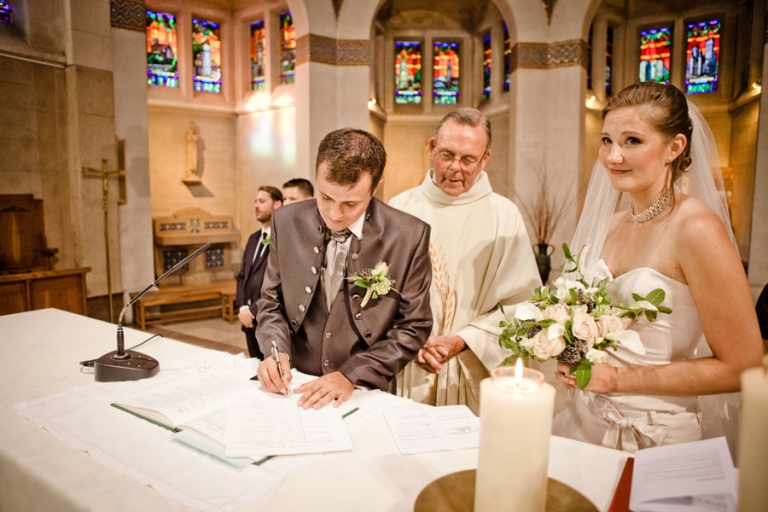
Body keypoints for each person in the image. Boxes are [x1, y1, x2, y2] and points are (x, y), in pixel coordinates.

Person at [552, 82, 763, 453]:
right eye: (606, 141)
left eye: (632, 141)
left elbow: (742, 367)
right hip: (583, 423)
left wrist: (616, 379)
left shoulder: (696, 228)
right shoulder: (611, 224)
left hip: (655, 438)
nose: (612, 157)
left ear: (674, 148)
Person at [255, 128, 433, 410]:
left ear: (376, 186)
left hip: (366, 392)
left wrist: (352, 374)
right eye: (325, 198)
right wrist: (275, 351)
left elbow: (413, 327)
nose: (335, 215)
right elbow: (270, 301)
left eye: (351, 203)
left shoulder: (409, 235)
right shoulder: (285, 221)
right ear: (316, 171)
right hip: (294, 387)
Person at [389, 107, 541, 414]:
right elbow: (377, 297)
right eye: (447, 154)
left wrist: (463, 339)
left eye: (469, 159)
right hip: (407, 364)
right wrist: (410, 340)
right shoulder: (399, 208)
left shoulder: (504, 216)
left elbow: (523, 304)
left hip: (469, 366)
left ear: (485, 159)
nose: (456, 168)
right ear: (432, 148)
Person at [236, 186, 283, 359]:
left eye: (262, 201)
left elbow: (281, 283)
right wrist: (243, 308)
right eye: (255, 201)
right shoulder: (253, 238)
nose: (256, 205)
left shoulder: (283, 239)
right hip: (248, 322)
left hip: (269, 319)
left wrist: (253, 311)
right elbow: (242, 276)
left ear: (277, 204)